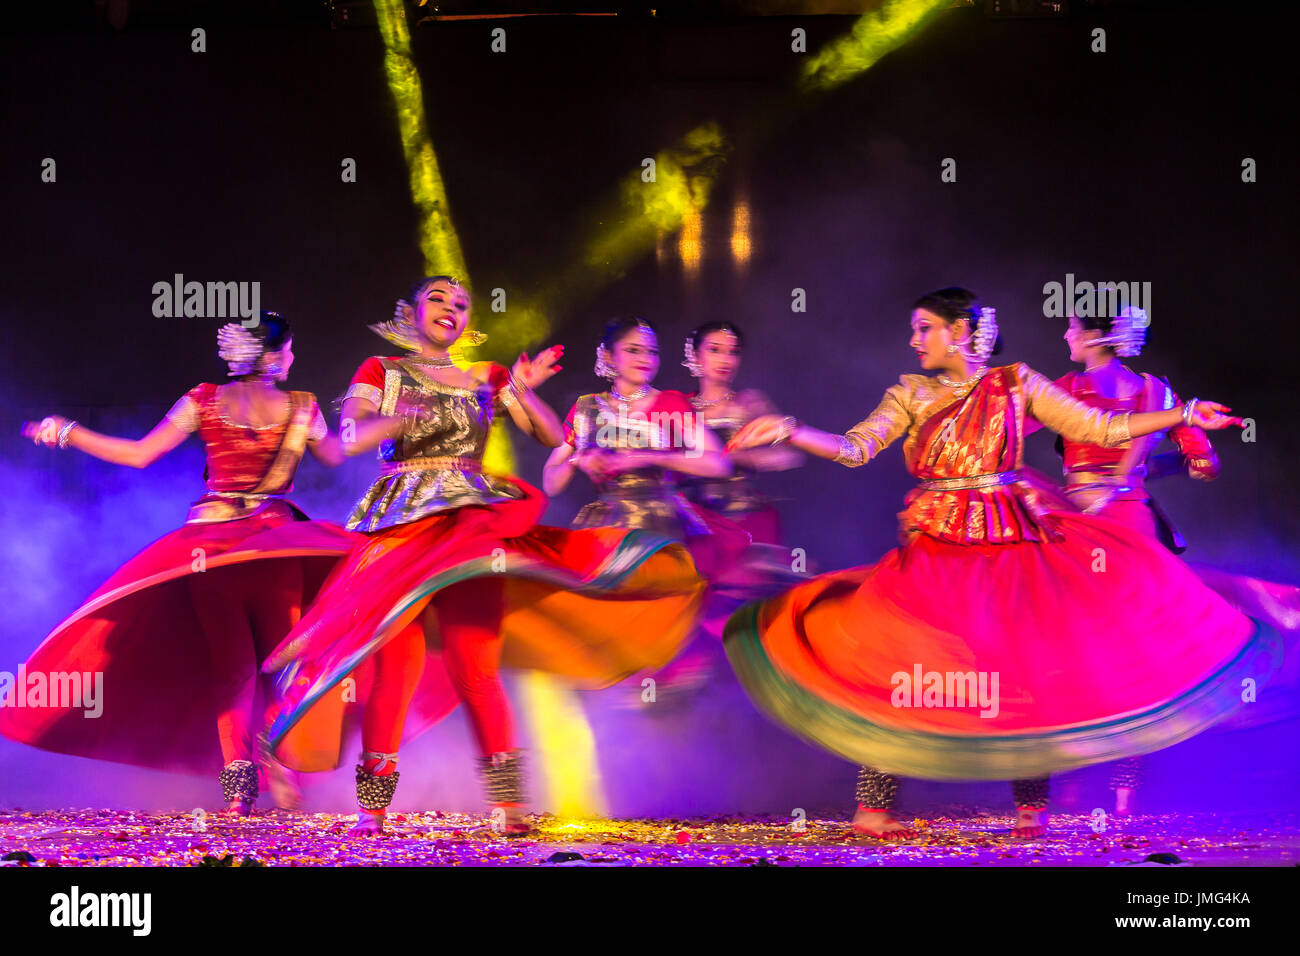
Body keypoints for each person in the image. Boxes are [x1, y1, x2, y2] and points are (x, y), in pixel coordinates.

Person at [724, 287, 1275, 840]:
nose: (914, 340)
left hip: (1011, 537)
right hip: (937, 539)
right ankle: (873, 807)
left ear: (959, 332)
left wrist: (1181, 413)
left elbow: (1097, 428)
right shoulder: (911, 392)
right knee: (901, 654)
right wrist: (792, 429)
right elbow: (855, 447)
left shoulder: (1016, 383)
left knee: (1019, 659)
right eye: (914, 330)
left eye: (924, 328)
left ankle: (1032, 809)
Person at [262, 279, 707, 835]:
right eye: (439, 300)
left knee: (476, 662)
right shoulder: (381, 369)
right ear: (411, 311)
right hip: (401, 528)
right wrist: (404, 417)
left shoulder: (486, 376)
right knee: (393, 670)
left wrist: (520, 386)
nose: (451, 309)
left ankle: (508, 803)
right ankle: (373, 808)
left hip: (472, 525)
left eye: (461, 304)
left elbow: (550, 435)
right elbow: (349, 436)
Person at [3, 313, 355, 814]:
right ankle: (285, 768)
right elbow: (341, 455)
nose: (294, 358)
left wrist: (67, 432)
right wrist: (393, 420)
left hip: (210, 556)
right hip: (276, 550)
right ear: (274, 355)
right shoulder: (304, 408)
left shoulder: (204, 399)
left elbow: (139, 455)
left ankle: (238, 791)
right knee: (284, 667)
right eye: (291, 349)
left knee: (232, 673)